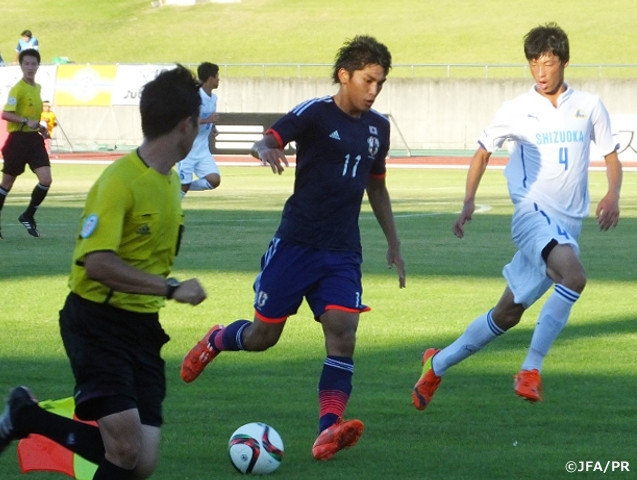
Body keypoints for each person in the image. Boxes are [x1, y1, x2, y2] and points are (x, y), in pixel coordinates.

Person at [181, 35, 406, 461]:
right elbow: (266, 139)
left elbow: (376, 186)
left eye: (380, 82)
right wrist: (266, 149)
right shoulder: (316, 114)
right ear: (345, 75)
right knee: (264, 337)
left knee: (343, 332)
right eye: (368, 80)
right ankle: (217, 339)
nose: (374, 90)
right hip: (296, 245)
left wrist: (393, 241)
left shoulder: (379, 128)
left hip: (342, 252)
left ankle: (328, 430)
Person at [0, 65, 208, 480]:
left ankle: (26, 416)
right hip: (97, 321)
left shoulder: (169, 182)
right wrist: (169, 288)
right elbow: (97, 264)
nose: (200, 130)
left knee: (140, 462)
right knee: (125, 447)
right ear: (186, 125)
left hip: (143, 327)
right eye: (199, 123)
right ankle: (25, 416)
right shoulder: (119, 182)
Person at [412, 23, 622, 411]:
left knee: (506, 314)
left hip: (567, 226)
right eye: (533, 63)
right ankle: (530, 369)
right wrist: (468, 201)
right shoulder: (516, 109)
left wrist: (613, 193)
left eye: (548, 63)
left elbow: (611, 156)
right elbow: (481, 151)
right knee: (574, 277)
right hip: (532, 215)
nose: (541, 72)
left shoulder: (589, 106)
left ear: (564, 62)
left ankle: (435, 365)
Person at [0, 48, 51, 238]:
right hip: (18, 141)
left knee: (46, 179)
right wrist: (24, 121)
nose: (30, 67)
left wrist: (40, 128)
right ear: (21, 66)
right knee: (7, 183)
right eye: (26, 63)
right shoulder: (18, 89)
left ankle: (28, 215)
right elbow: (6, 114)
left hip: (33, 140)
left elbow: (31, 118)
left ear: (38, 65)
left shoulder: (37, 88)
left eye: (33, 63)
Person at [176, 62, 221, 197]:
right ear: (210, 78)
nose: (219, 79)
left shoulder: (213, 98)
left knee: (214, 180)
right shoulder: (194, 97)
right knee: (184, 184)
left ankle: (178, 186)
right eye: (217, 76)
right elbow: (185, 119)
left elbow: (209, 116)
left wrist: (212, 127)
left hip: (202, 149)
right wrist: (207, 120)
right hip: (187, 149)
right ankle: (171, 212)